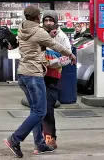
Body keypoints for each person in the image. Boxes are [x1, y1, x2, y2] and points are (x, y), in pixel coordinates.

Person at [3, 6, 76, 158]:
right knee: (40, 111)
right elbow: (54, 45)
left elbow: (34, 42)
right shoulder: (39, 32)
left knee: (35, 111)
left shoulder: (22, 29)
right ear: (37, 18)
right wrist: (70, 54)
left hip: (22, 74)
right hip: (34, 76)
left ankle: (40, 144)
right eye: (43, 18)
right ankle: (14, 139)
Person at [41, 10, 72, 149]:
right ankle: (41, 137)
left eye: (50, 20)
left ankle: (50, 138)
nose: (48, 23)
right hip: (38, 75)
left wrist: (52, 63)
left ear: (55, 21)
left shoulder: (62, 37)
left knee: (48, 107)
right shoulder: (40, 33)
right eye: (45, 20)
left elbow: (67, 58)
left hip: (52, 76)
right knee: (39, 108)